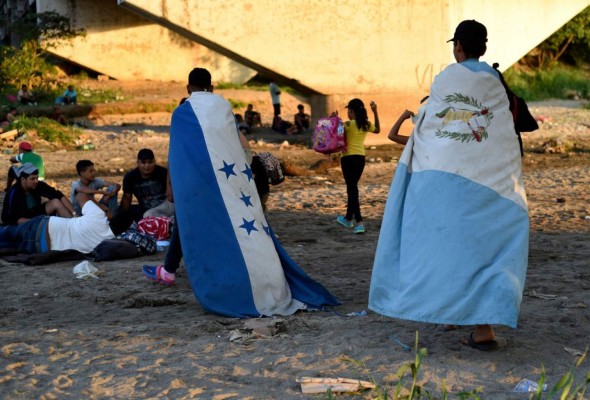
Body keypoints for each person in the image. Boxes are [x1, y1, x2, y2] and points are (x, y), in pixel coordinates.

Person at [369, 20, 529, 350]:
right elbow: (508, 129)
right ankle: (474, 322)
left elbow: (428, 130)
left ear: (457, 46)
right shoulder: (497, 84)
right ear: (483, 48)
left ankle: (470, 321)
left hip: (444, 185)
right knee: (485, 251)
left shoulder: (445, 80)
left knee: (446, 247)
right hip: (496, 187)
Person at [144, 67, 338, 317]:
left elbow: (178, 154)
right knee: (237, 228)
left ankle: (173, 271)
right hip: (232, 181)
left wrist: (173, 186)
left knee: (195, 227)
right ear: (212, 88)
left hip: (196, 184)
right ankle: (174, 270)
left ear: (187, 88)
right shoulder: (223, 107)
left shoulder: (182, 113)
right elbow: (232, 146)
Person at [0, 192, 133, 254]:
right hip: (42, 248)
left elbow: (80, 195)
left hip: (42, 226)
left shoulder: (98, 217)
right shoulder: (108, 242)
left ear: (113, 217)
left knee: (7, 232)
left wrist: (103, 208)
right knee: (9, 245)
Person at [335, 98, 380, 234]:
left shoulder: (347, 124)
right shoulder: (365, 124)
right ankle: (348, 218)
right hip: (360, 158)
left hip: (347, 159)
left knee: (352, 189)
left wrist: (335, 120)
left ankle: (359, 222)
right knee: (352, 188)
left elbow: (337, 136)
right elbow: (377, 130)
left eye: (348, 110)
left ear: (351, 111)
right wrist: (375, 112)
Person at [2, 163, 76, 225]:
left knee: (55, 202)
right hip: (19, 220)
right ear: (23, 179)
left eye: (37, 178)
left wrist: (74, 213)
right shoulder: (15, 192)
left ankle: (73, 224)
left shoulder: (36, 185)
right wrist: (38, 222)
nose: (36, 181)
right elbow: (12, 219)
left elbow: (58, 195)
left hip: (35, 212)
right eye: (32, 179)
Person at [119, 148, 173, 221]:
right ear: (138, 163)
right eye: (143, 162)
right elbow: (127, 197)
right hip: (147, 209)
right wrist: (122, 215)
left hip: (166, 205)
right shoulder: (130, 177)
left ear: (154, 162)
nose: (147, 166)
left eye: (150, 162)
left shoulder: (163, 173)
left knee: (148, 215)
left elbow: (172, 193)